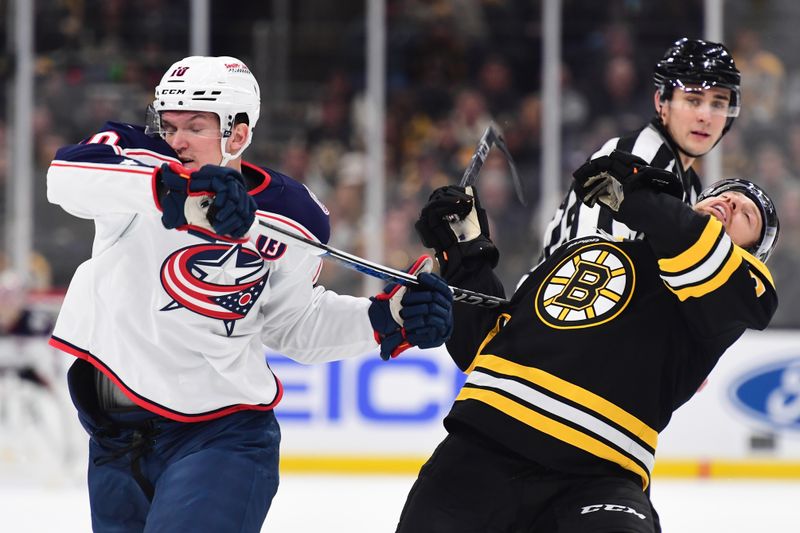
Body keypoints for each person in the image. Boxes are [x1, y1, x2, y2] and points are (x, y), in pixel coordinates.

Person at [46, 55, 454, 533]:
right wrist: (178, 193)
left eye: (195, 126)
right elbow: (66, 178)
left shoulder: (292, 214)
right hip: (115, 441)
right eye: (169, 124)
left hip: (220, 439)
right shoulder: (135, 158)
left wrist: (386, 320)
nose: (176, 140)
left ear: (237, 135)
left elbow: (292, 325)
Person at [402, 151, 779, 532]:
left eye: (746, 215)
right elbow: (482, 346)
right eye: (724, 195)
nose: (730, 203)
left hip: (597, 479)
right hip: (479, 456)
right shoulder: (582, 248)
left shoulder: (733, 292)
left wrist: (638, 198)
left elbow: (697, 248)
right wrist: (465, 258)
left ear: (752, 254)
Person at [540, 37, 742, 260]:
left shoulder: (690, 182)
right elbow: (593, 266)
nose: (705, 116)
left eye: (718, 103)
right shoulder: (633, 158)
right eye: (693, 100)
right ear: (661, 102)